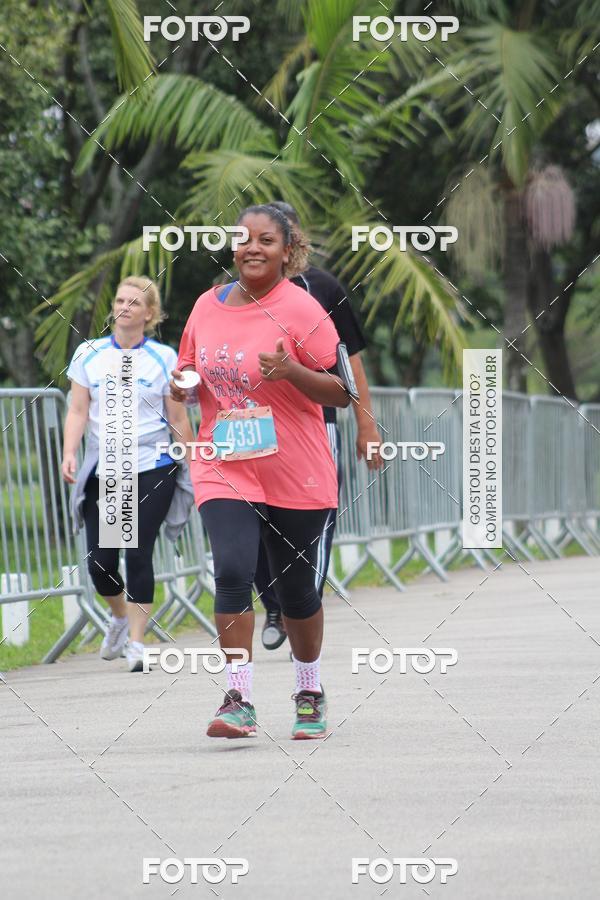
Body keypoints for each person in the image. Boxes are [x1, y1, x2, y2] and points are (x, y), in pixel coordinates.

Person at [171, 204, 351, 740]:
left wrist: (292, 371)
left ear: (286, 249)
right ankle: (239, 698)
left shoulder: (303, 310)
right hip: (225, 462)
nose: (253, 247)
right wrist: (181, 389)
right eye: (244, 238)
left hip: (296, 470)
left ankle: (310, 689)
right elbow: (185, 370)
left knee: (296, 594)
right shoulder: (206, 306)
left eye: (266, 240)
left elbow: (342, 391)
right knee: (230, 571)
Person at [257, 201, 382, 652]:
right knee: (252, 518)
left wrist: (366, 428)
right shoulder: (235, 292)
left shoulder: (323, 288)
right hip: (252, 429)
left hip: (315, 426)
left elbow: (351, 365)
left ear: (294, 243)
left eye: (274, 237)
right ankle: (275, 605)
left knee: (314, 521)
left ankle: (300, 604)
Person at [62, 276, 195, 671]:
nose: (123, 307)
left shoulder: (164, 359)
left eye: (133, 302)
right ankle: (119, 617)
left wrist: (193, 460)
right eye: (119, 300)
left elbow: (177, 417)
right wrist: (70, 452)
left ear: (148, 313)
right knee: (101, 563)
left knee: (138, 552)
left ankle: (138, 643)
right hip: (107, 469)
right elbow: (78, 410)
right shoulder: (89, 353)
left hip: (154, 464)